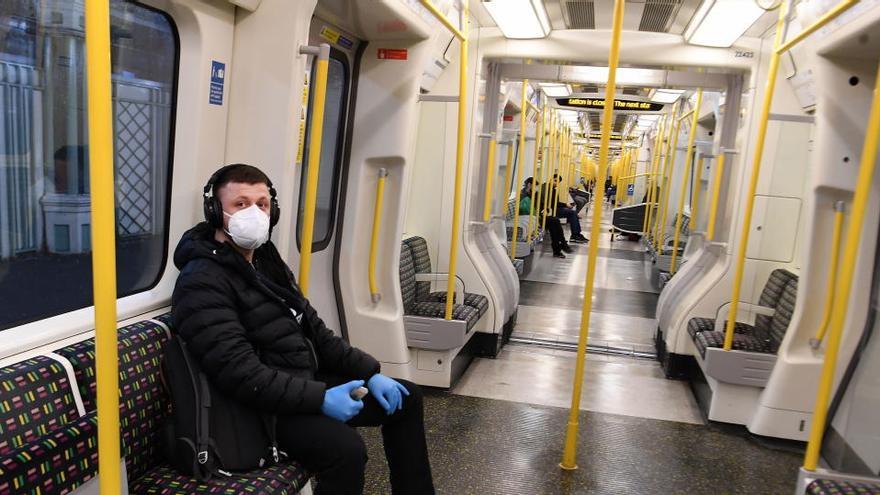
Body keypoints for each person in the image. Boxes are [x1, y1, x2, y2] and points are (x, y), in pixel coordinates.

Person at [171, 164, 434, 495]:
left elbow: (315, 331)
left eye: (262, 204)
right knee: (346, 450)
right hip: (256, 410)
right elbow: (238, 372)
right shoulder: (202, 280)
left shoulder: (265, 260)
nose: (253, 212)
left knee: (407, 398)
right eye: (240, 203)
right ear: (214, 211)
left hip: (297, 385)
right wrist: (320, 399)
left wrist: (370, 372)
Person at [521, 177, 573, 258]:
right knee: (554, 222)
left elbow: (540, 205)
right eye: (534, 186)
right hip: (533, 218)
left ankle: (560, 246)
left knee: (555, 222)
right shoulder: (523, 196)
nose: (535, 188)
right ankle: (560, 246)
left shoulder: (533, 194)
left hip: (538, 216)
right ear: (529, 185)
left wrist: (545, 209)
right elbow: (526, 209)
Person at [548, 174, 588, 244]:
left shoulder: (552, 189)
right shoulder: (548, 189)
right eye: (555, 181)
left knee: (572, 213)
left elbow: (554, 203)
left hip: (555, 208)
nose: (556, 183)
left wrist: (565, 205)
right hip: (552, 210)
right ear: (551, 179)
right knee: (572, 213)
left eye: (557, 182)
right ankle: (575, 235)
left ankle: (577, 234)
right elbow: (552, 203)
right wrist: (565, 205)